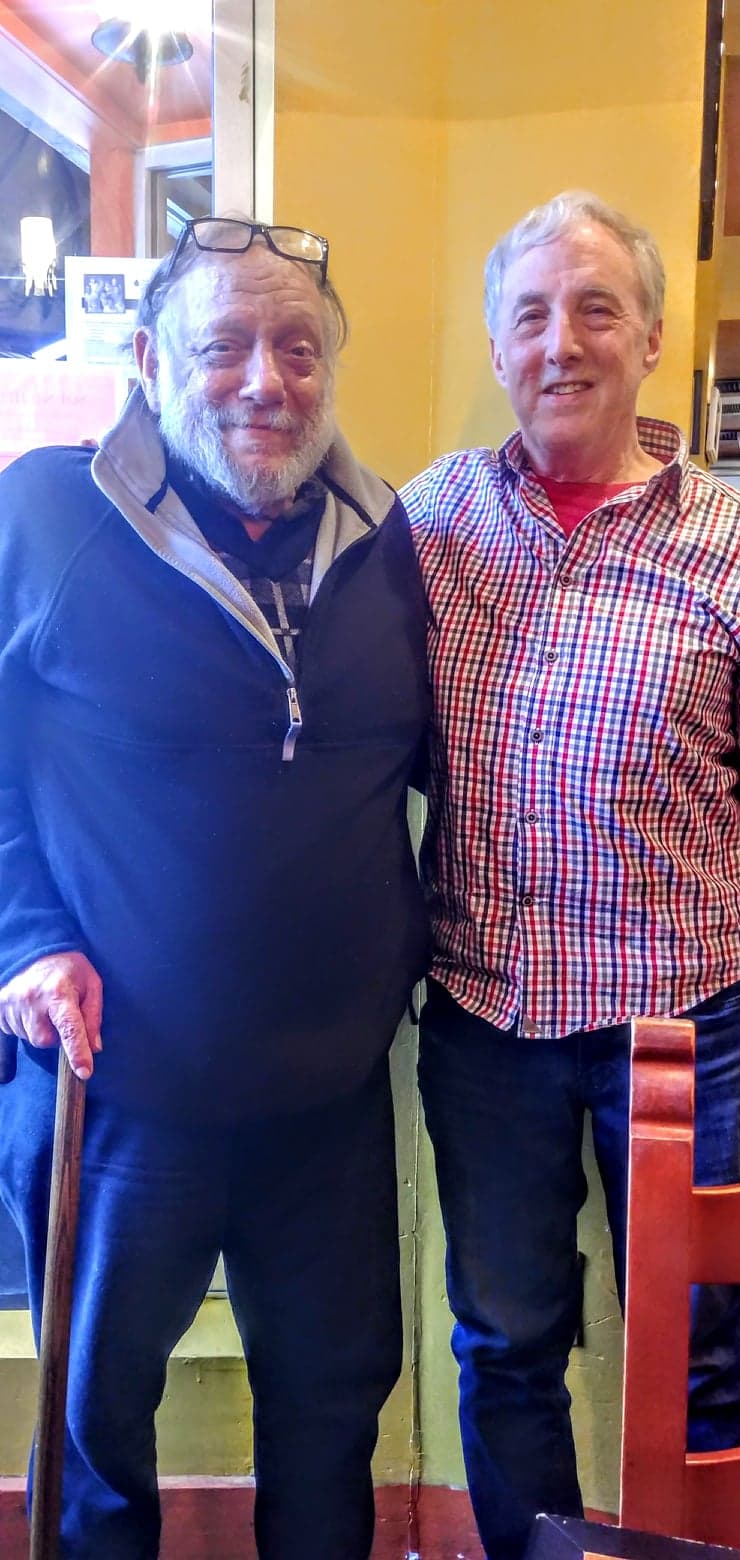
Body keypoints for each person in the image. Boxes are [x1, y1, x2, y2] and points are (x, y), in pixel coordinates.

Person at [0, 217, 430, 1560]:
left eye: (298, 348)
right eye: (225, 345)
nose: (266, 380)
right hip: (119, 1090)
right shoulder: (47, 513)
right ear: (147, 358)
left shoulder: (391, 542)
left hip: (331, 1097)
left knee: (332, 1414)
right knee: (96, 1427)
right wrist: (25, 937)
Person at [401, 189, 740, 1559]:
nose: (561, 343)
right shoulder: (429, 521)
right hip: (486, 1020)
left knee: (700, 1348)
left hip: (688, 1027)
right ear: (500, 345)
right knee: (505, 1341)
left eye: (597, 309)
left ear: (652, 337)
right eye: (531, 315)